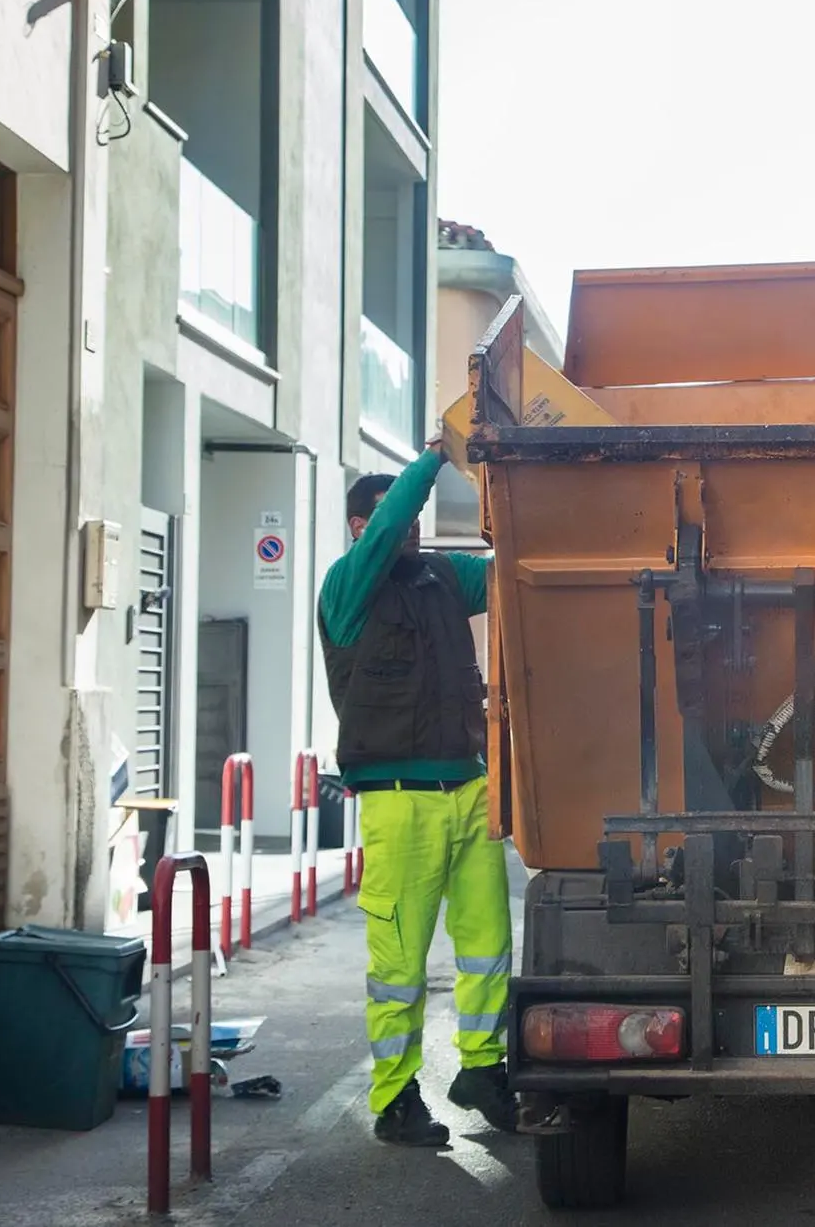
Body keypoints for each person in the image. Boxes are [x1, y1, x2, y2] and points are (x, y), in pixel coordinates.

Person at [318, 441, 515, 1147]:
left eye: (409, 522)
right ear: (357, 527)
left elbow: (507, 574)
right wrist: (435, 457)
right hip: (397, 800)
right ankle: (395, 1096)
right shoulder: (347, 587)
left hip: (467, 787)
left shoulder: (438, 577)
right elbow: (390, 522)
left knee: (489, 943)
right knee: (399, 965)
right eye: (388, 520)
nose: (407, 529)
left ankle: (481, 1068)